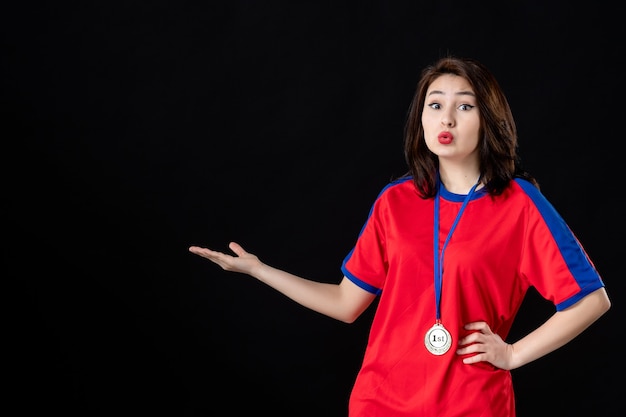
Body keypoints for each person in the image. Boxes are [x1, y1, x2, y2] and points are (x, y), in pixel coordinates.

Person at [188, 56, 611, 416]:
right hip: (381, 401)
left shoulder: (520, 204)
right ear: (421, 118)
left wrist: (513, 354)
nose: (446, 118)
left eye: (464, 107)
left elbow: (592, 299)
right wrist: (260, 270)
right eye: (435, 104)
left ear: (489, 119)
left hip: (471, 404)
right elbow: (346, 303)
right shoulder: (396, 201)